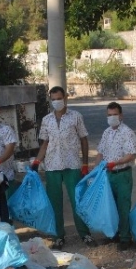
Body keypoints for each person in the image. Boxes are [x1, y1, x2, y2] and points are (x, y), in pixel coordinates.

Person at [31, 86, 97, 250]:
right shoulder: (46, 120)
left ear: (65, 98)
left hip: (72, 164)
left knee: (77, 201)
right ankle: (58, 236)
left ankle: (85, 234)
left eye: (59, 98)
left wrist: (85, 164)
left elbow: (84, 140)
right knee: (55, 202)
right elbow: (45, 143)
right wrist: (37, 162)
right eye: (53, 99)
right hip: (52, 165)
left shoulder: (76, 117)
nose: (57, 102)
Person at [95, 102, 136, 251]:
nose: (112, 117)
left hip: (122, 174)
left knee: (123, 207)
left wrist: (115, 163)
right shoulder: (107, 132)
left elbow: (131, 155)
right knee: (109, 206)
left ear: (121, 115)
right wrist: (95, 171)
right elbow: (100, 152)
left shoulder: (127, 132)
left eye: (115, 114)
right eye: (109, 115)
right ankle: (113, 234)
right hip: (108, 175)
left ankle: (125, 238)